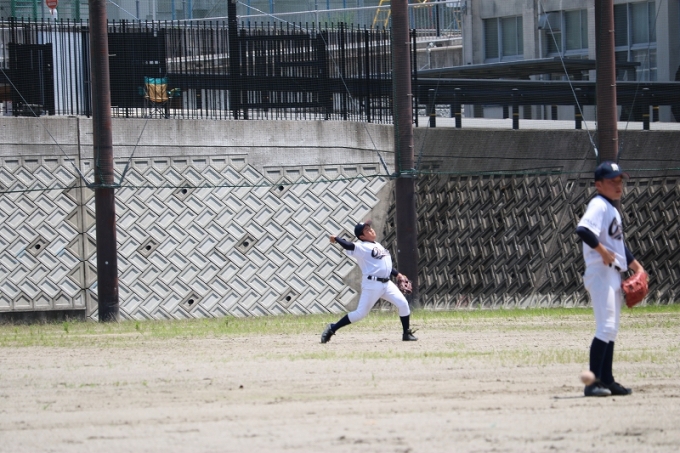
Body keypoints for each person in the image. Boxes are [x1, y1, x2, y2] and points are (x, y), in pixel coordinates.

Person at [576, 161, 646, 397]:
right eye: (612, 181)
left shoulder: (612, 209)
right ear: (598, 185)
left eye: (620, 181)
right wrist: (603, 252)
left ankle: (607, 380)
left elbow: (618, 246)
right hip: (601, 272)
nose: (618, 185)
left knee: (611, 329)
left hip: (612, 273)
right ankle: (592, 383)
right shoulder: (598, 205)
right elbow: (583, 230)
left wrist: (638, 267)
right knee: (605, 327)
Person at [320, 220, 417, 343]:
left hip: (387, 284)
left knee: (403, 304)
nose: (371, 230)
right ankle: (332, 328)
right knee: (360, 314)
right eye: (366, 230)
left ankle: (406, 333)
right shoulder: (361, 247)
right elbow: (348, 245)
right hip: (372, 284)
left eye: (370, 227)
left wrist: (398, 275)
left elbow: (384, 265)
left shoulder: (378, 245)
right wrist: (336, 239)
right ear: (362, 236)